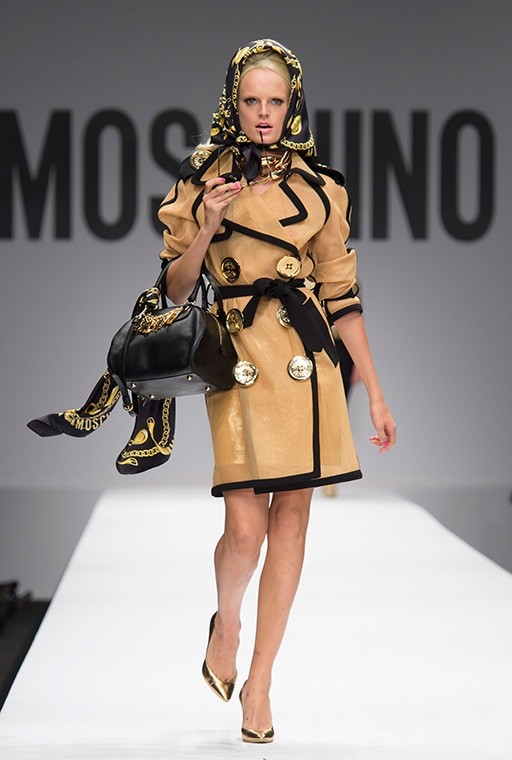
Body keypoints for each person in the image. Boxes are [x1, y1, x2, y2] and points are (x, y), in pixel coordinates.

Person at [158, 39, 396, 744]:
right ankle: (226, 624)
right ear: (232, 103)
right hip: (235, 356)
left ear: (292, 105)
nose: (263, 113)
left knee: (290, 522)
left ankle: (260, 681)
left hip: (304, 361)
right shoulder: (202, 179)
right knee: (244, 528)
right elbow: (174, 288)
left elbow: (342, 294)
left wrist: (376, 393)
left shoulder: (321, 188)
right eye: (251, 100)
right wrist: (206, 224)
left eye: (276, 101)